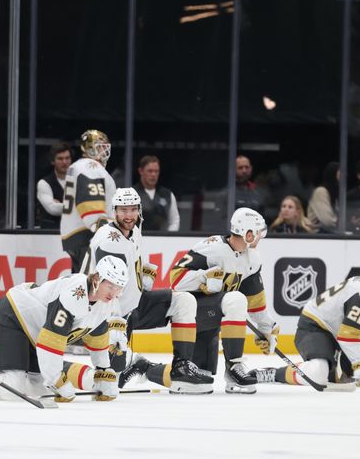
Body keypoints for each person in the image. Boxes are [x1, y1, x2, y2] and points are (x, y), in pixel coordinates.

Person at [0, 256, 127, 403]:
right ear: (97, 278)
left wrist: (103, 371)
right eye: (111, 286)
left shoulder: (105, 303)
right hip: (13, 318)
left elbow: (97, 339)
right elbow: (50, 342)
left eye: (119, 287)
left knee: (38, 387)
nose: (114, 292)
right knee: (13, 387)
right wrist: (57, 380)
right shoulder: (75, 293)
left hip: (35, 332)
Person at [128, 207, 278, 394]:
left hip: (211, 320)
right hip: (191, 315)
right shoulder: (212, 247)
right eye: (257, 233)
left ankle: (144, 367)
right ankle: (234, 369)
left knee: (197, 383)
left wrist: (267, 327)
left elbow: (255, 302)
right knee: (236, 299)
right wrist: (203, 278)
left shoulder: (253, 260)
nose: (260, 238)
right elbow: (176, 279)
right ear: (248, 234)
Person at [81, 188, 211, 394]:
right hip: (105, 314)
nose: (129, 215)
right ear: (114, 211)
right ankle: (138, 364)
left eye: (133, 209)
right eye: (123, 210)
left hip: (134, 305)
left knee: (184, 301)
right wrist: (115, 325)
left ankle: (181, 367)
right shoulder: (110, 240)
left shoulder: (134, 229)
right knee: (110, 383)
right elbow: (108, 287)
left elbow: (140, 262)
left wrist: (146, 279)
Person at [254, 262, 360, 388]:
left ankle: (340, 370)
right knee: (319, 372)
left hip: (338, 338)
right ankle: (273, 373)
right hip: (315, 327)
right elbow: (347, 336)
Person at [60, 129, 117, 272]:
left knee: (79, 285)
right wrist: (102, 231)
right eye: (99, 147)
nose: (104, 151)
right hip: (87, 236)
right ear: (89, 148)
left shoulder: (78, 166)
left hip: (76, 234)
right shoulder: (89, 166)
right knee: (90, 286)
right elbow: (90, 203)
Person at [132, 155, 180, 231]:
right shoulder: (131, 193)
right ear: (141, 171)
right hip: (138, 239)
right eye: (150, 171)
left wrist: (169, 237)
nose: (153, 174)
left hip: (162, 240)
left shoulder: (168, 194)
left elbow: (174, 221)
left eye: (156, 171)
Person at [36, 141, 71, 229]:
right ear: (52, 161)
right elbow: (53, 209)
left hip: (73, 233)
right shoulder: (44, 183)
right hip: (50, 234)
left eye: (67, 158)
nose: (64, 162)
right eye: (60, 158)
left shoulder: (78, 180)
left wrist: (61, 205)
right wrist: (78, 206)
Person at [307, 161, 339, 233]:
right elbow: (328, 221)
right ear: (333, 174)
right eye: (341, 172)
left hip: (331, 234)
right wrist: (344, 223)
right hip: (318, 236)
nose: (345, 175)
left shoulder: (335, 193)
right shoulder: (320, 192)